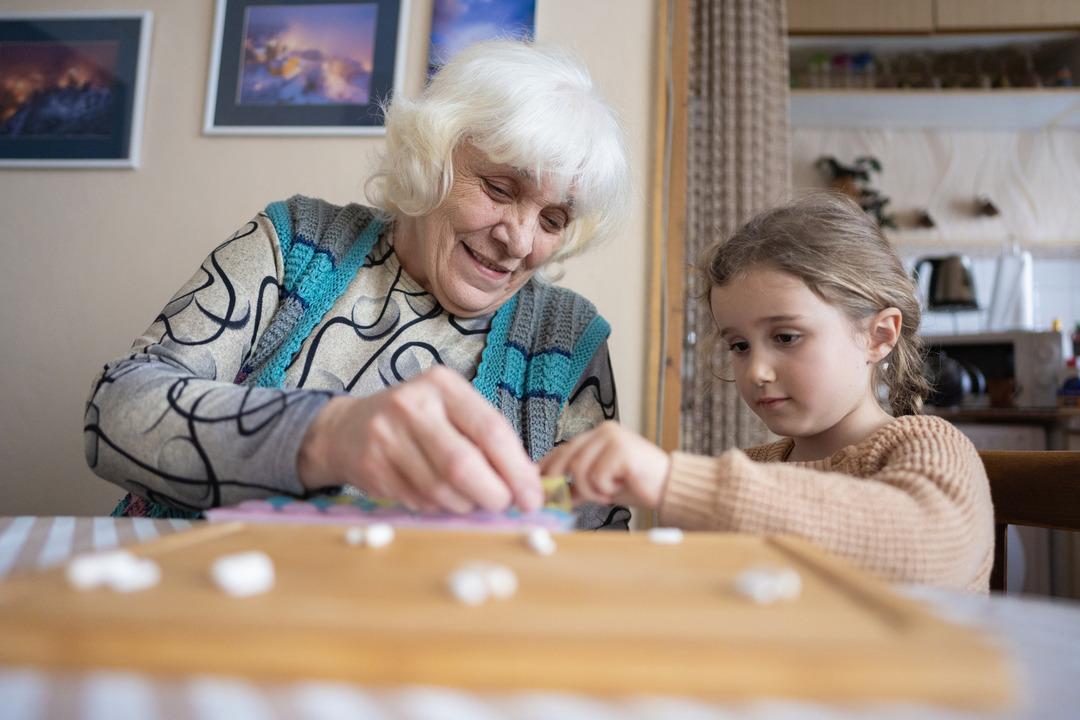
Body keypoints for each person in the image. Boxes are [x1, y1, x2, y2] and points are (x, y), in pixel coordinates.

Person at [84, 40, 631, 529]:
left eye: (553, 220)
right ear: (433, 156)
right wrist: (325, 435)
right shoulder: (299, 242)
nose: (518, 239)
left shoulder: (568, 340)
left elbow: (593, 534)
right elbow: (117, 414)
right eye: (499, 187)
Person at [542, 194, 995, 590]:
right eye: (739, 345)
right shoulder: (753, 468)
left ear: (878, 336)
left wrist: (671, 481)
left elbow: (934, 553)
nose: (756, 370)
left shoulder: (929, 447)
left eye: (786, 337)